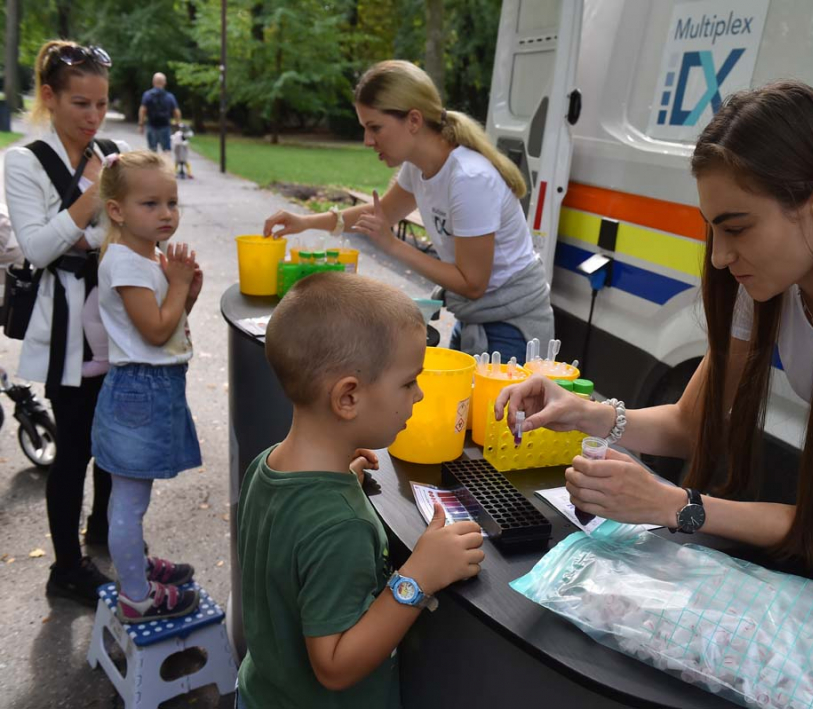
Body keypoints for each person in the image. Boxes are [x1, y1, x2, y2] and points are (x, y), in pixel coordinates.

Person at [495, 81, 813, 709]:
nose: (720, 256)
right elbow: (691, 424)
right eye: (713, 230)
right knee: (789, 674)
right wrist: (583, 413)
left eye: (736, 228)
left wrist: (674, 505)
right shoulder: (768, 282)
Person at [237, 272, 484, 709]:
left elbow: (292, 558)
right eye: (408, 382)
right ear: (347, 398)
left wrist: (341, 473)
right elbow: (334, 666)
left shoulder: (268, 465)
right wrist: (418, 577)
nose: (419, 395)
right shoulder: (341, 526)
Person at [263, 60, 553, 364]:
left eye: (375, 127)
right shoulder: (418, 167)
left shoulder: (469, 179)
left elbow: (473, 283)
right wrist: (306, 222)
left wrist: (391, 244)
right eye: (365, 128)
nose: (367, 141)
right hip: (476, 315)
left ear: (414, 120)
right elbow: (382, 214)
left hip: (511, 325)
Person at [3, 39, 129, 604]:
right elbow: (36, 248)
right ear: (49, 97)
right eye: (81, 103)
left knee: (115, 442)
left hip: (120, 321)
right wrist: (93, 202)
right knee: (74, 448)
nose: (94, 116)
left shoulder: (114, 151)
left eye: (101, 103)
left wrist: (82, 232)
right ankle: (66, 566)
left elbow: (131, 228)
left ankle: (103, 530)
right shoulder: (25, 161)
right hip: (66, 332)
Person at [91, 150, 203, 622]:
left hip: (154, 385)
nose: (166, 214)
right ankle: (137, 595)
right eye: (151, 204)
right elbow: (155, 332)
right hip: (140, 391)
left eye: (172, 203)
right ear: (117, 211)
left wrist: (185, 294)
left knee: (134, 497)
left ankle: (134, 564)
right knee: (129, 501)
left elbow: (168, 326)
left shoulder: (146, 256)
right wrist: (176, 284)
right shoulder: (126, 263)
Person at [139, 73, 181, 153]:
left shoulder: (147, 95)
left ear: (153, 82)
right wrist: (177, 123)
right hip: (165, 126)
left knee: (152, 151)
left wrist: (141, 124)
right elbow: (176, 111)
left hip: (152, 125)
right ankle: (166, 161)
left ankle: (154, 161)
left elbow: (142, 110)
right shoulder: (169, 96)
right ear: (164, 83)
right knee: (166, 150)